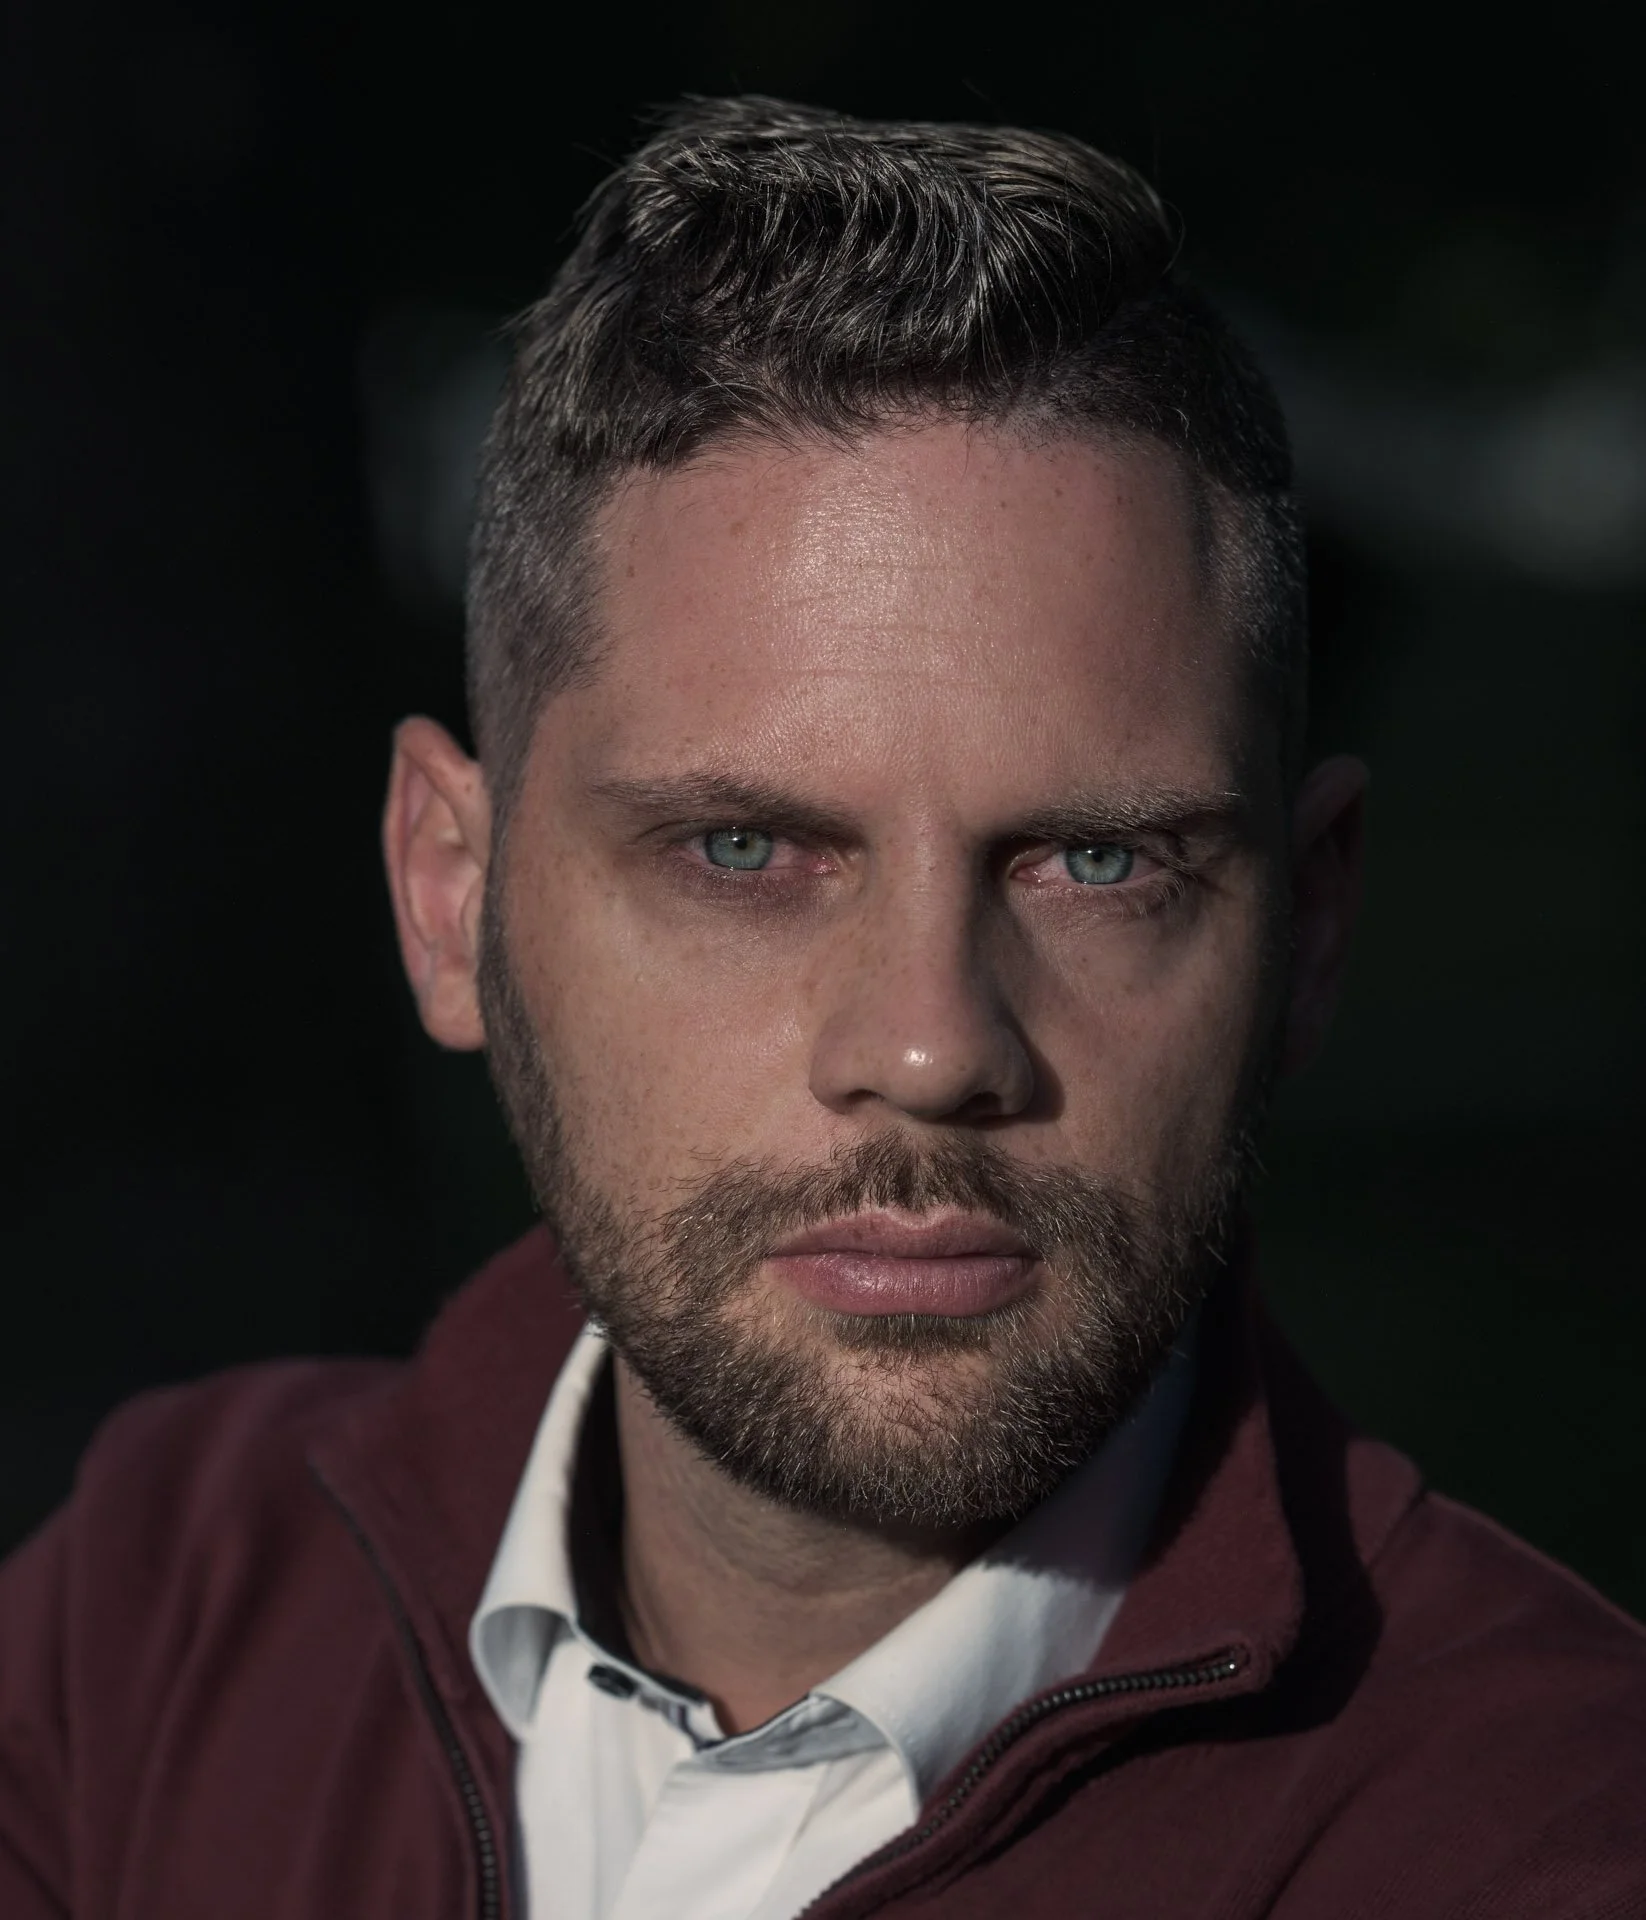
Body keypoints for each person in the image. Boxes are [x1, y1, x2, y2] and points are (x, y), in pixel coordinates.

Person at [3, 96, 1643, 1920]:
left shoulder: (1542, 1844)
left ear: (1309, 927)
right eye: (741, 850)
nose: (929, 1048)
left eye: (1096, 862)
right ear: (450, 897)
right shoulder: (162, 1613)